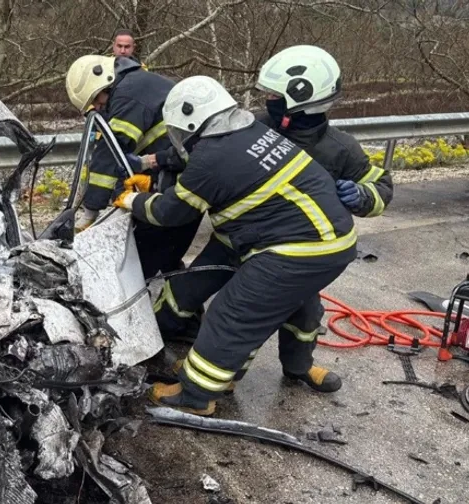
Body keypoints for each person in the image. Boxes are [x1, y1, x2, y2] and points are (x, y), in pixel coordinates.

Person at [114, 75, 357, 416]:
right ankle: (222, 372)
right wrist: (156, 168)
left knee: (233, 313)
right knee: (285, 307)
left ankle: (195, 396)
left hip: (295, 249)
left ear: (192, 123)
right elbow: (202, 160)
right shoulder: (251, 131)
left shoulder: (212, 158)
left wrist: (133, 200)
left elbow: (170, 212)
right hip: (326, 242)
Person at [151, 45, 394, 369]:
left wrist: (363, 197)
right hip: (232, 240)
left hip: (290, 251)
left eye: (273, 95)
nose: (267, 100)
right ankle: (153, 342)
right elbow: (201, 151)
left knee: (304, 312)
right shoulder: (253, 126)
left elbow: (381, 186)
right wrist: (156, 160)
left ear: (300, 99)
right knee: (184, 290)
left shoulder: (340, 149)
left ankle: (299, 368)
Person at [65, 54, 201, 279]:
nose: (97, 107)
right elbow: (123, 156)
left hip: (184, 184)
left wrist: (90, 211)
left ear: (103, 81)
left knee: (134, 270)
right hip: (180, 174)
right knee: (167, 263)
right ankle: (182, 309)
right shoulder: (135, 84)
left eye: (96, 100)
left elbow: (110, 150)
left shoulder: (128, 96)